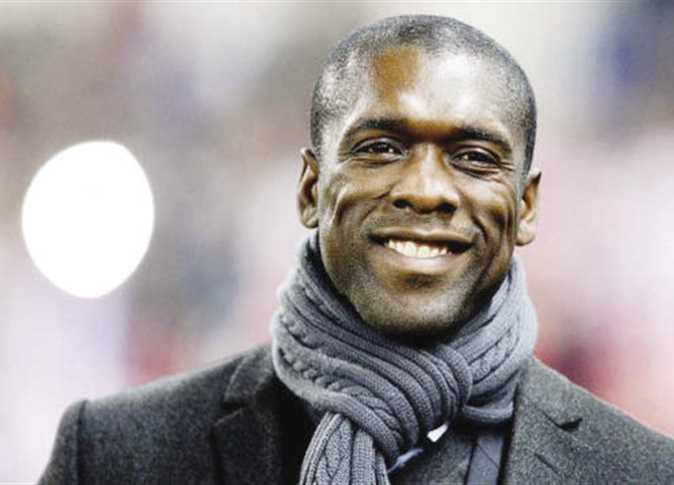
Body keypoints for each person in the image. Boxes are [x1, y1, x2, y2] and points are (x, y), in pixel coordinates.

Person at [40, 15, 674, 484]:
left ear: (526, 206)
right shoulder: (113, 454)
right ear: (310, 189)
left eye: (473, 157)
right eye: (381, 148)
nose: (425, 190)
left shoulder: (640, 472)